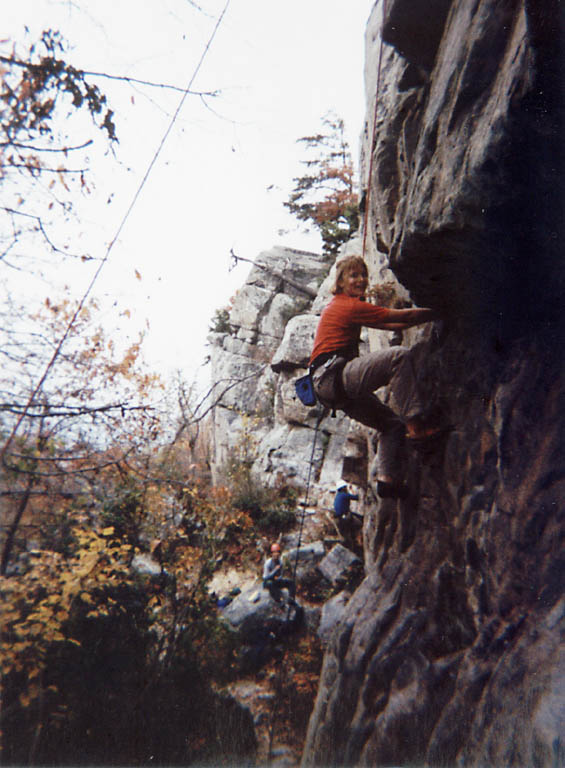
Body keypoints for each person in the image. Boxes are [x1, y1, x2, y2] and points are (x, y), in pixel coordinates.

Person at [310, 254, 445, 499]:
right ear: (340, 282)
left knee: (390, 425)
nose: (361, 280)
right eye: (353, 275)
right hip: (334, 378)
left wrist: (410, 319)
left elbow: (392, 325)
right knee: (399, 357)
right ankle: (417, 429)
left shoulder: (343, 305)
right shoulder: (347, 306)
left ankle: (387, 480)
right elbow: (401, 318)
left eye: (363, 275)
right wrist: (439, 311)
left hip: (332, 389)